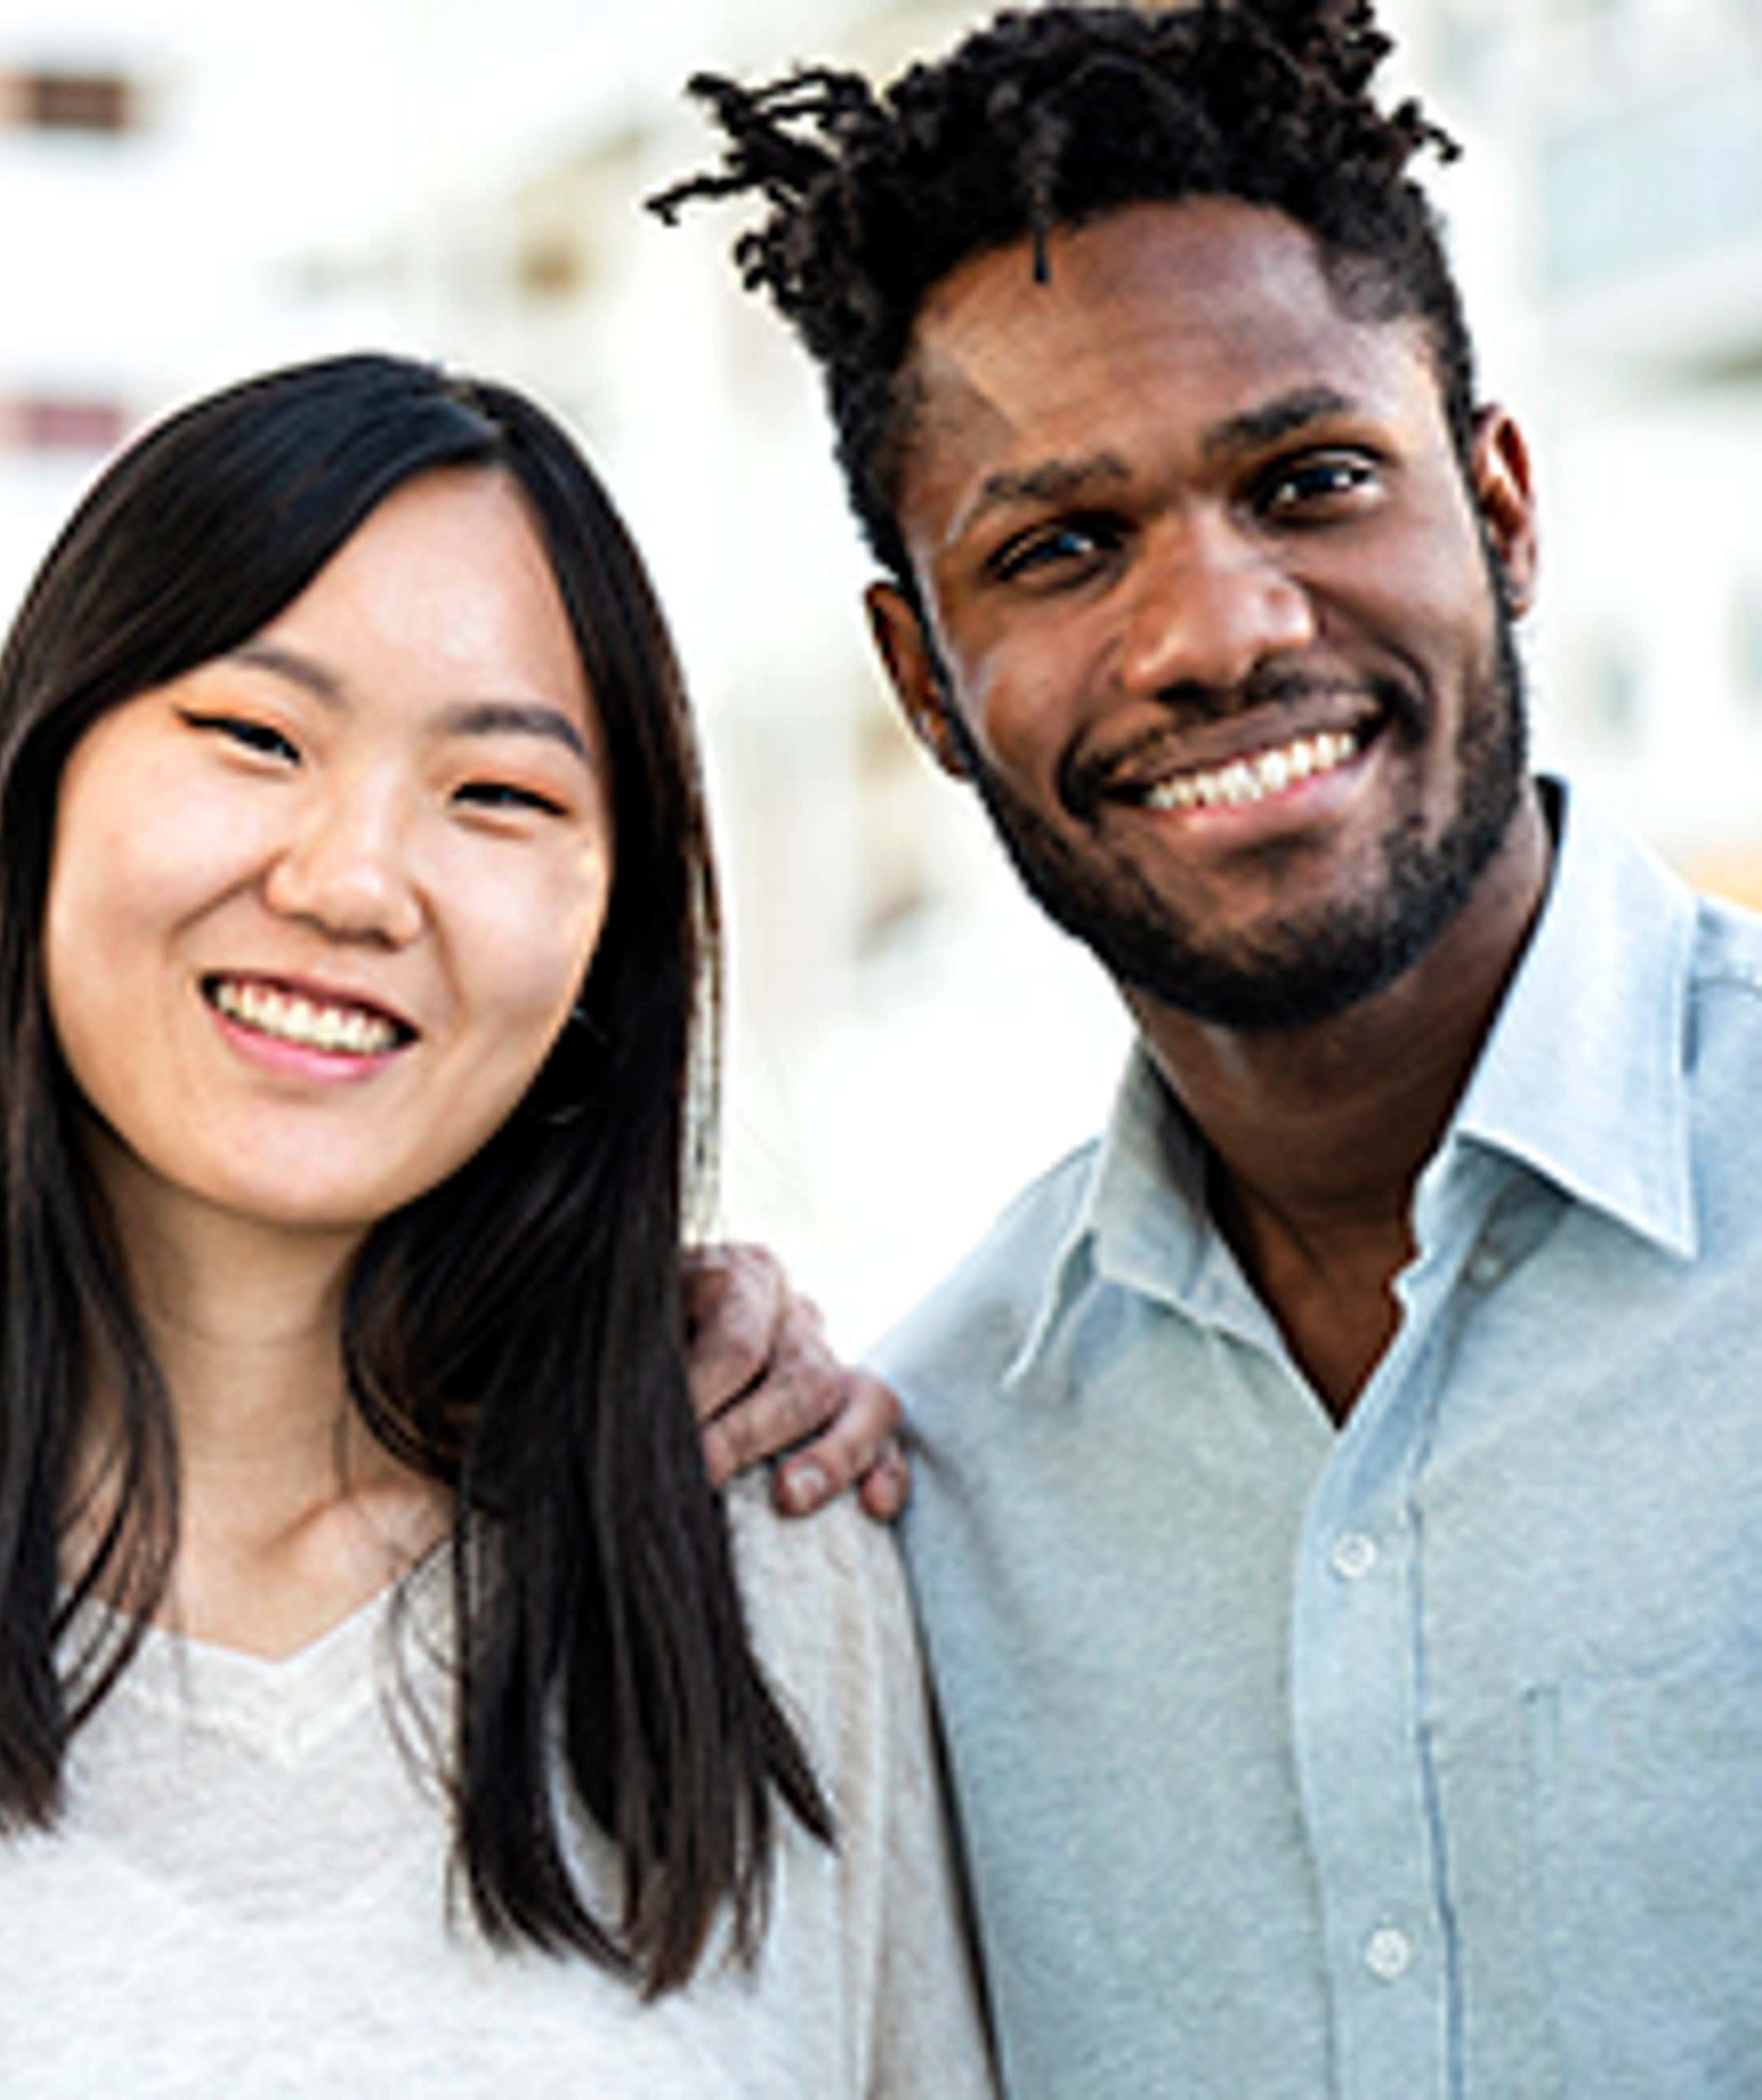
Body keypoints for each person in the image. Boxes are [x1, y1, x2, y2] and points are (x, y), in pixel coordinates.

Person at [0, 354, 990, 2095]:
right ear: (39, 787)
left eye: (501, 794)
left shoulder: (789, 1589)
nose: (354, 880)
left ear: (614, 928)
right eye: (256, 737)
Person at [656, 2, 1762, 2094]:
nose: (1224, 629)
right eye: (1061, 549)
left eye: (1312, 478)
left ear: (1503, 505)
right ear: (921, 674)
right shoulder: (918, 1485)